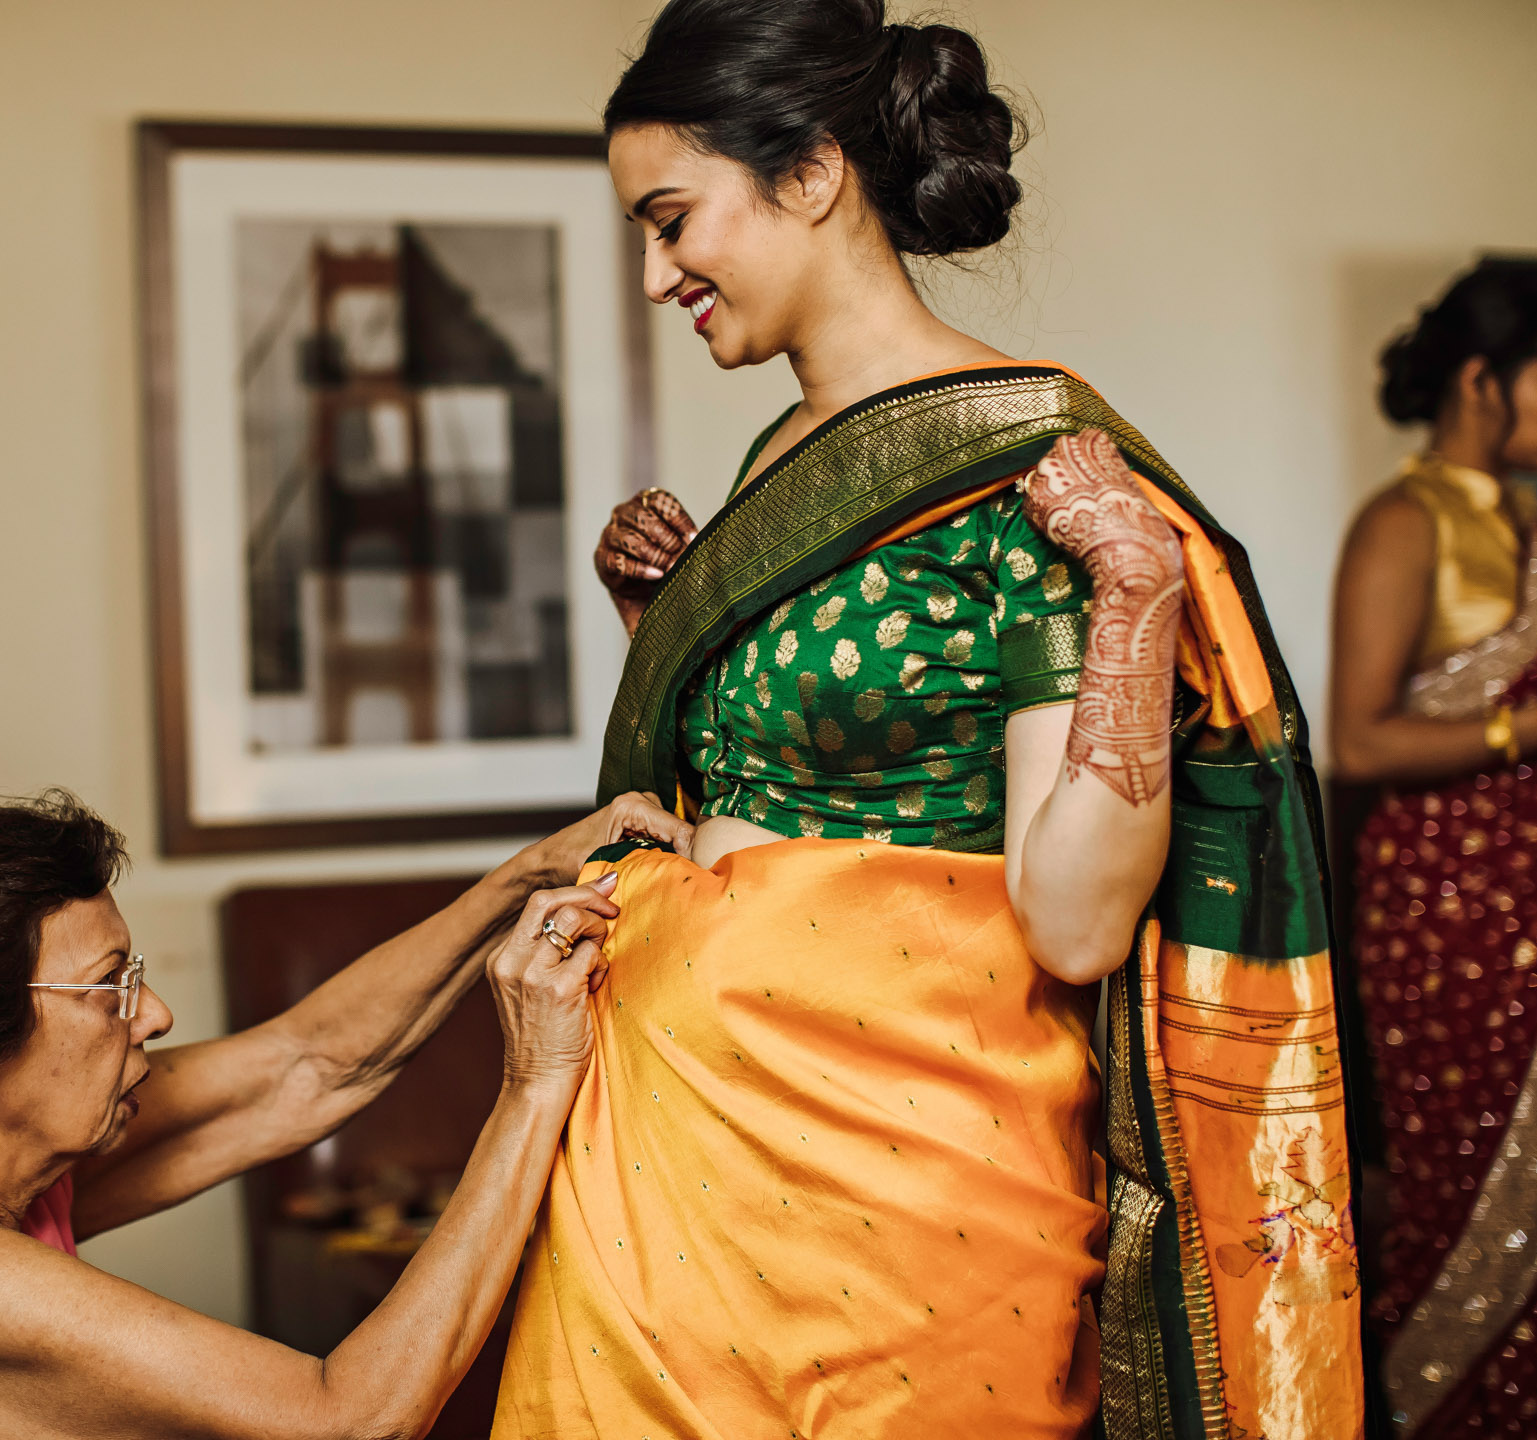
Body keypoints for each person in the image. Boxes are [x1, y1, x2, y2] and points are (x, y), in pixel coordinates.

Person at [492, 2, 1365, 1437]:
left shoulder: (1025, 471)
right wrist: (665, 636)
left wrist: (1136, 589)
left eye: (671, 219)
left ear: (814, 173)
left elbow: (1076, 921)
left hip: (901, 1196)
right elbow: (765, 793)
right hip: (664, 1156)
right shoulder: (788, 456)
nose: (654, 277)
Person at [0, 787, 690, 1440]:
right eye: (109, 987)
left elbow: (310, 1068)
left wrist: (527, 878)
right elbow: (351, 1423)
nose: (153, 1015)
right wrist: (534, 1082)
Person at [1331, 260, 1537, 1437]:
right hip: (1450, 921)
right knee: (1463, 1183)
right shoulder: (1403, 522)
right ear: (1481, 382)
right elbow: (1360, 739)